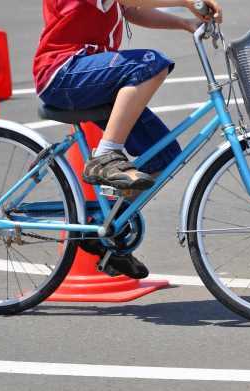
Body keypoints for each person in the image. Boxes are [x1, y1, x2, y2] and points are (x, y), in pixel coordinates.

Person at [33, 0, 222, 279]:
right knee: (150, 63)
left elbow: (130, 10)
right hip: (63, 72)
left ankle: (109, 231)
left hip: (91, 76)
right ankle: (105, 156)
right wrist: (187, 2)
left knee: (164, 156)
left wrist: (185, 22)